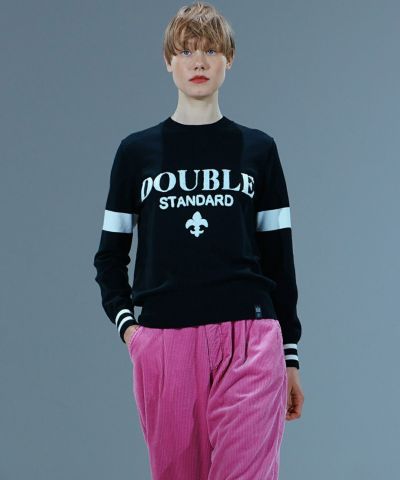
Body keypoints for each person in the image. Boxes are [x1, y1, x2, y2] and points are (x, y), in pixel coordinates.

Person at [93, 1, 304, 478]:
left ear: (229, 59)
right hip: (165, 343)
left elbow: (279, 259)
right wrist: (132, 331)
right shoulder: (136, 153)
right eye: (186, 51)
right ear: (168, 61)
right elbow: (110, 256)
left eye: (211, 50)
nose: (199, 62)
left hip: (251, 337)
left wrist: (289, 356)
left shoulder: (259, 150)